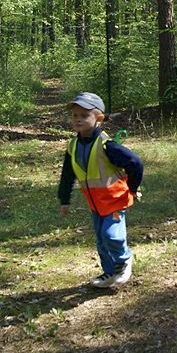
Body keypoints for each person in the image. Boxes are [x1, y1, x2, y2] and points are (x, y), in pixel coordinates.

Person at [58, 92, 144, 288]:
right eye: (75, 115)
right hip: (96, 204)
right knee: (101, 241)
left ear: (99, 118)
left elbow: (135, 162)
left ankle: (124, 260)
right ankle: (109, 273)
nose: (78, 119)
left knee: (111, 235)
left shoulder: (107, 145)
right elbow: (67, 175)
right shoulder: (73, 146)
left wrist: (132, 188)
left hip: (115, 199)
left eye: (84, 115)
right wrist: (64, 200)